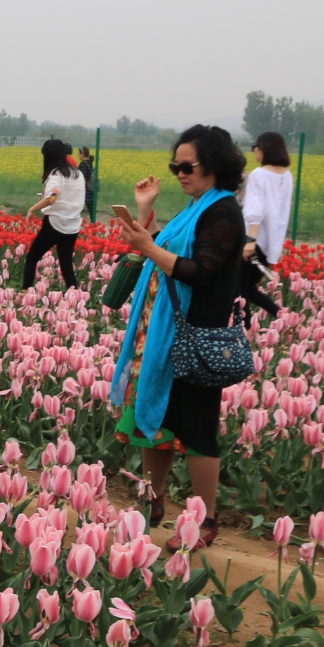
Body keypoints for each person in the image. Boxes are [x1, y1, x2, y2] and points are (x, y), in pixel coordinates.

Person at [110, 124, 248, 549]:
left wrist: (148, 247)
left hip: (195, 338)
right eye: (176, 166)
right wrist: (145, 211)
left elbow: (200, 272)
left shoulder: (222, 213)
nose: (180, 173)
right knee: (157, 423)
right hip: (160, 337)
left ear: (215, 165)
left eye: (187, 165)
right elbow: (163, 250)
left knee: (198, 429)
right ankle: (154, 499)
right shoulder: (195, 209)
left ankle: (205, 521)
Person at [238, 131, 293, 316]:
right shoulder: (287, 176)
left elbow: (256, 209)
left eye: (256, 147)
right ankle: (280, 316)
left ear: (265, 149)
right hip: (272, 241)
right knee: (247, 287)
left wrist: (250, 241)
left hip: (255, 239)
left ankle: (244, 326)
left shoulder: (259, 174)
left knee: (240, 288)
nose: (255, 151)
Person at [21, 138, 85, 290]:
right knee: (66, 265)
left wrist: (32, 209)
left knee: (32, 258)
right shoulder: (77, 174)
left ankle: (25, 292)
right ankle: (74, 298)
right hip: (72, 226)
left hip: (54, 224)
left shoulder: (56, 174)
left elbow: (52, 198)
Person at [77, 144, 99, 222]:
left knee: (80, 206)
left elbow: (82, 177)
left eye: (79, 153)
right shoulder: (89, 162)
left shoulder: (83, 164)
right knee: (90, 207)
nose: (78, 155)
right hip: (90, 188)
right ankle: (93, 222)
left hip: (85, 188)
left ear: (82, 154)